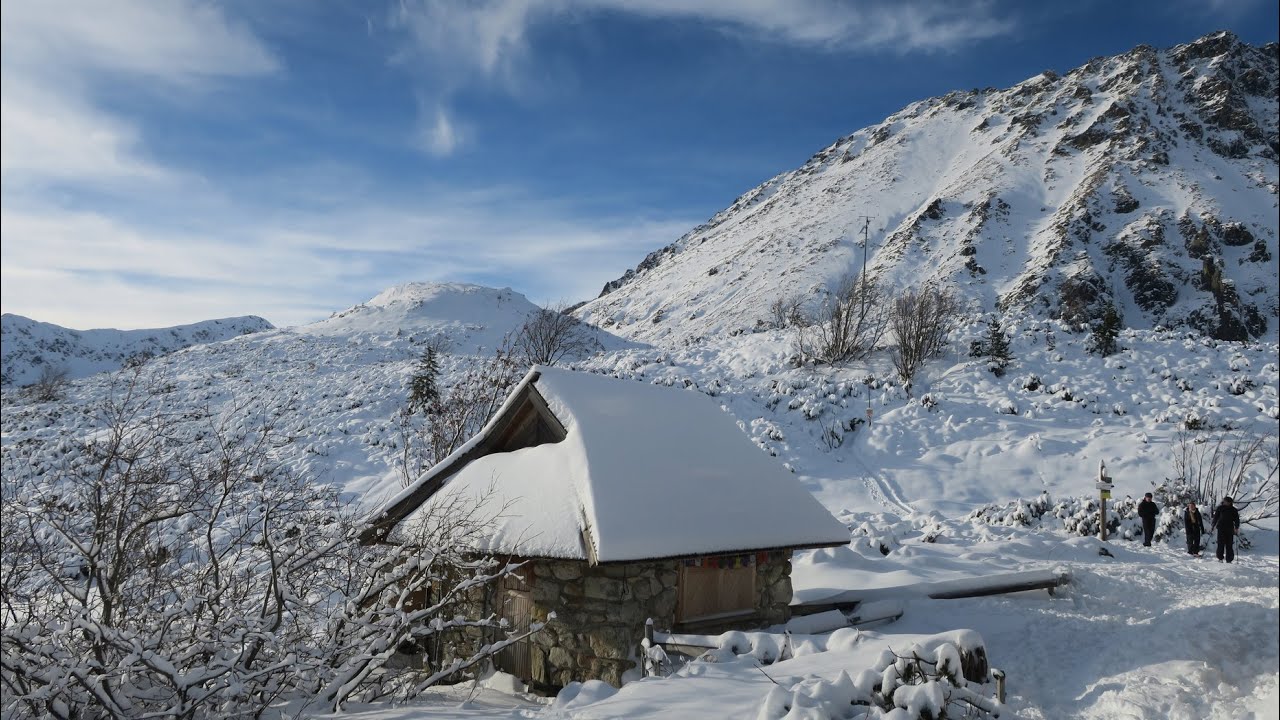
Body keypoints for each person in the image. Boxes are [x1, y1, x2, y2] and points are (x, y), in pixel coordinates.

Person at [1211, 496, 1241, 563]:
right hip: (1221, 528)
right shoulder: (1220, 508)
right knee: (1220, 544)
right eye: (1225, 501)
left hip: (1230, 529)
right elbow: (1216, 517)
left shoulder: (1233, 510)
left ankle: (1229, 559)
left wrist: (1236, 527)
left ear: (1230, 502)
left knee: (1229, 545)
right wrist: (1213, 525)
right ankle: (1220, 558)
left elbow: (1237, 519)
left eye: (1227, 502)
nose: (1225, 503)